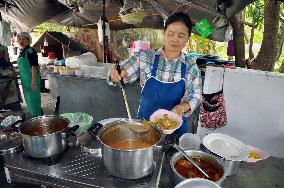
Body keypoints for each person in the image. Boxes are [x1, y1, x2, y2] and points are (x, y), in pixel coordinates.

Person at [108, 12, 202, 138]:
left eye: (181, 35)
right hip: (145, 126)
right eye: (171, 34)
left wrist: (180, 108)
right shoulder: (145, 57)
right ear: (164, 33)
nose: (175, 39)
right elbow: (123, 73)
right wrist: (116, 74)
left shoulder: (191, 67)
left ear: (187, 38)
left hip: (174, 129)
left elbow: (195, 96)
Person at [17, 32, 42, 116]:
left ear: (28, 40)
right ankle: (34, 118)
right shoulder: (23, 52)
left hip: (32, 80)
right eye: (20, 39)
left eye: (24, 39)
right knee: (29, 101)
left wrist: (33, 81)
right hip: (25, 81)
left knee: (34, 101)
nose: (21, 41)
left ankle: (37, 119)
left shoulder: (30, 51)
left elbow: (34, 67)